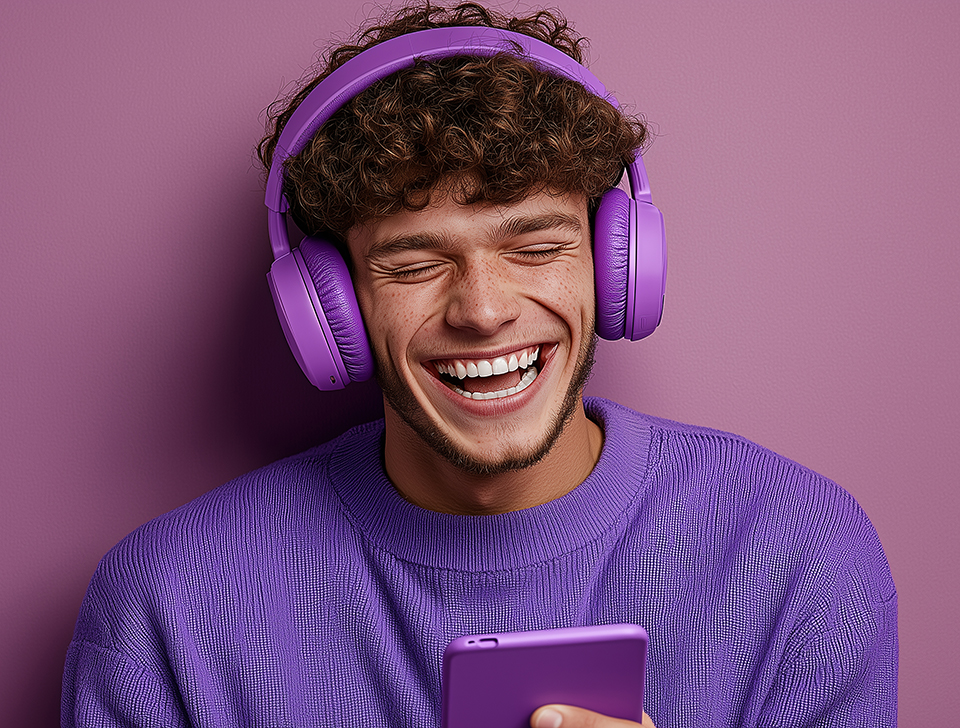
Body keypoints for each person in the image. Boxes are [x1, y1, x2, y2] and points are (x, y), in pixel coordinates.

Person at [61, 3, 897, 727]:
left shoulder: (798, 552)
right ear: (333, 305)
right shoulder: (167, 608)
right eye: (415, 264)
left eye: (535, 246)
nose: (484, 310)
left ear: (614, 266)